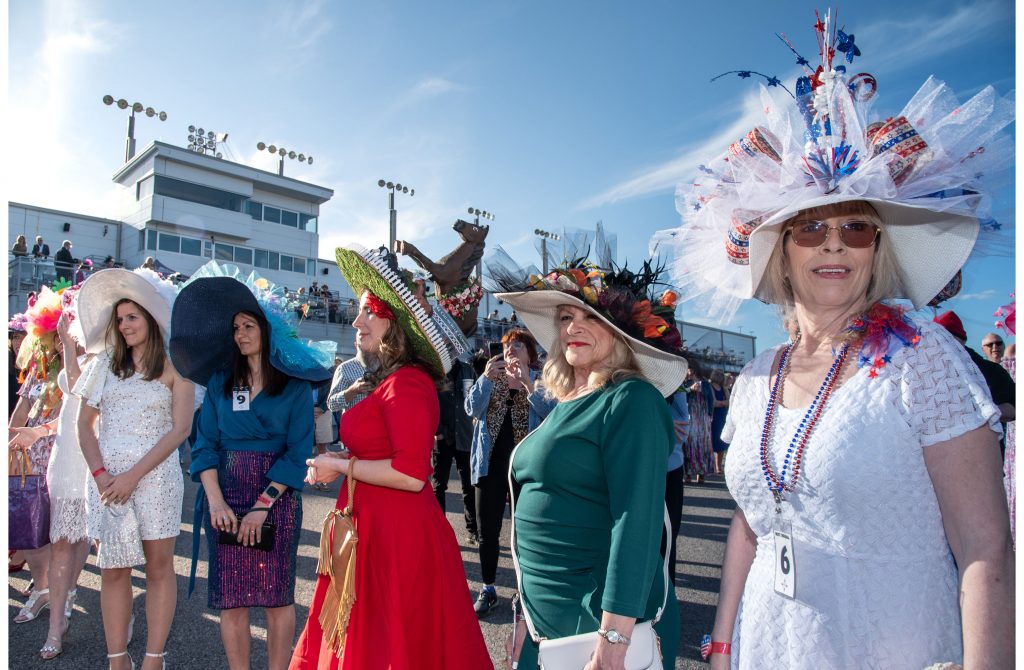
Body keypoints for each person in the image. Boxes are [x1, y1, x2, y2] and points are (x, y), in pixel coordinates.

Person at [654, 12, 1014, 666]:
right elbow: (752, 522)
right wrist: (724, 638)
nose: (832, 244)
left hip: (887, 642)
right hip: (768, 642)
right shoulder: (760, 371)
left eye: (856, 227)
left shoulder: (923, 360)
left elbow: (986, 546)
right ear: (781, 252)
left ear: (879, 248)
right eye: (809, 228)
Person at [291, 244, 491, 669]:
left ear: (393, 323)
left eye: (368, 312)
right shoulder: (386, 381)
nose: (357, 321)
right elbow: (383, 452)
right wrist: (343, 461)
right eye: (359, 312)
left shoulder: (409, 384)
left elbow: (411, 473)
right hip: (372, 528)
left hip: (397, 537)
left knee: (392, 645)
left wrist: (340, 466)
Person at [493, 257, 688, 670]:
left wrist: (613, 643)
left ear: (621, 334)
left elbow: (636, 523)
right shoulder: (568, 402)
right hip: (545, 629)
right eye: (565, 316)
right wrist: (523, 616)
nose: (571, 327)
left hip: (598, 635)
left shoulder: (632, 399)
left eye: (590, 316)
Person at [169, 262, 333, 670]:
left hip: (274, 501)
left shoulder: (294, 386)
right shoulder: (222, 381)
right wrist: (217, 501)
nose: (241, 334)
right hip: (223, 497)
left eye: (248, 326)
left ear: (266, 327)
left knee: (277, 596)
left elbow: (298, 453)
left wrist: (262, 505)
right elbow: (204, 445)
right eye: (236, 328)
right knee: (232, 598)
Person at [74, 268, 194, 670]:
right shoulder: (104, 364)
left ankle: (154, 656)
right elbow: (83, 426)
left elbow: (181, 430)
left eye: (132, 317)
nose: (124, 325)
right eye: (120, 318)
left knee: (160, 568)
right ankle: (116, 657)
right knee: (112, 569)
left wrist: (132, 476)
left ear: (151, 320)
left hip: (157, 480)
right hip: (107, 483)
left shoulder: (178, 365)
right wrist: (102, 476)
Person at [9, 296, 92, 660]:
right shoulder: (52, 361)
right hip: (53, 455)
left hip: (89, 455)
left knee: (78, 536)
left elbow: (82, 400)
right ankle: (52, 609)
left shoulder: (100, 355)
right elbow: (45, 405)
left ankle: (66, 594)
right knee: (51, 534)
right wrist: (26, 432)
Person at [465, 328, 555, 618]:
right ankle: (488, 588)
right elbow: (472, 409)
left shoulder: (542, 382)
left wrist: (529, 385)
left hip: (525, 469)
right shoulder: (491, 379)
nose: (511, 350)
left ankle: (524, 592)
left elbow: (554, 417)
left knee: (524, 532)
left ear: (530, 353)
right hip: (489, 465)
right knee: (487, 531)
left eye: (518, 345)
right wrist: (485, 378)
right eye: (506, 346)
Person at [8, 286, 68, 628]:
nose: (55, 342)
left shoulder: (76, 370)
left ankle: (56, 590)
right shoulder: (37, 369)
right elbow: (22, 408)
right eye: (51, 335)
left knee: (54, 530)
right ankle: (43, 586)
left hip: (58, 453)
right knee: (27, 526)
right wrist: (12, 439)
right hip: (26, 456)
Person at [433, 358, 479, 544]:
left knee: (469, 485)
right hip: (443, 436)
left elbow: (476, 399)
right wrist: (437, 430)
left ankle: (473, 530)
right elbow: (429, 401)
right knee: (439, 485)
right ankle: (437, 529)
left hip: (464, 435)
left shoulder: (468, 370)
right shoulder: (436, 370)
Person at [665, 384, 689, 584]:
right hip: (637, 471)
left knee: (667, 541)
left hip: (669, 471)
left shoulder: (677, 388)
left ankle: (665, 605)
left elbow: (682, 430)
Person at [684, 364, 715, 484]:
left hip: (703, 416)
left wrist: (710, 414)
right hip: (690, 415)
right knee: (689, 443)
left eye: (690, 369)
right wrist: (690, 389)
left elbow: (710, 399)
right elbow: (681, 396)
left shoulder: (706, 383)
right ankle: (687, 473)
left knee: (703, 444)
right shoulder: (685, 382)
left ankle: (701, 473)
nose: (688, 372)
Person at [709, 368, 730, 473]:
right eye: (717, 373)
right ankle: (711, 465)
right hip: (713, 416)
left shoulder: (724, 388)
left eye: (721, 374)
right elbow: (713, 403)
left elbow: (729, 402)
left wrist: (720, 403)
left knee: (721, 442)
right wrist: (723, 403)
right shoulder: (710, 386)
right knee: (712, 440)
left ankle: (718, 467)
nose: (719, 375)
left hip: (722, 416)